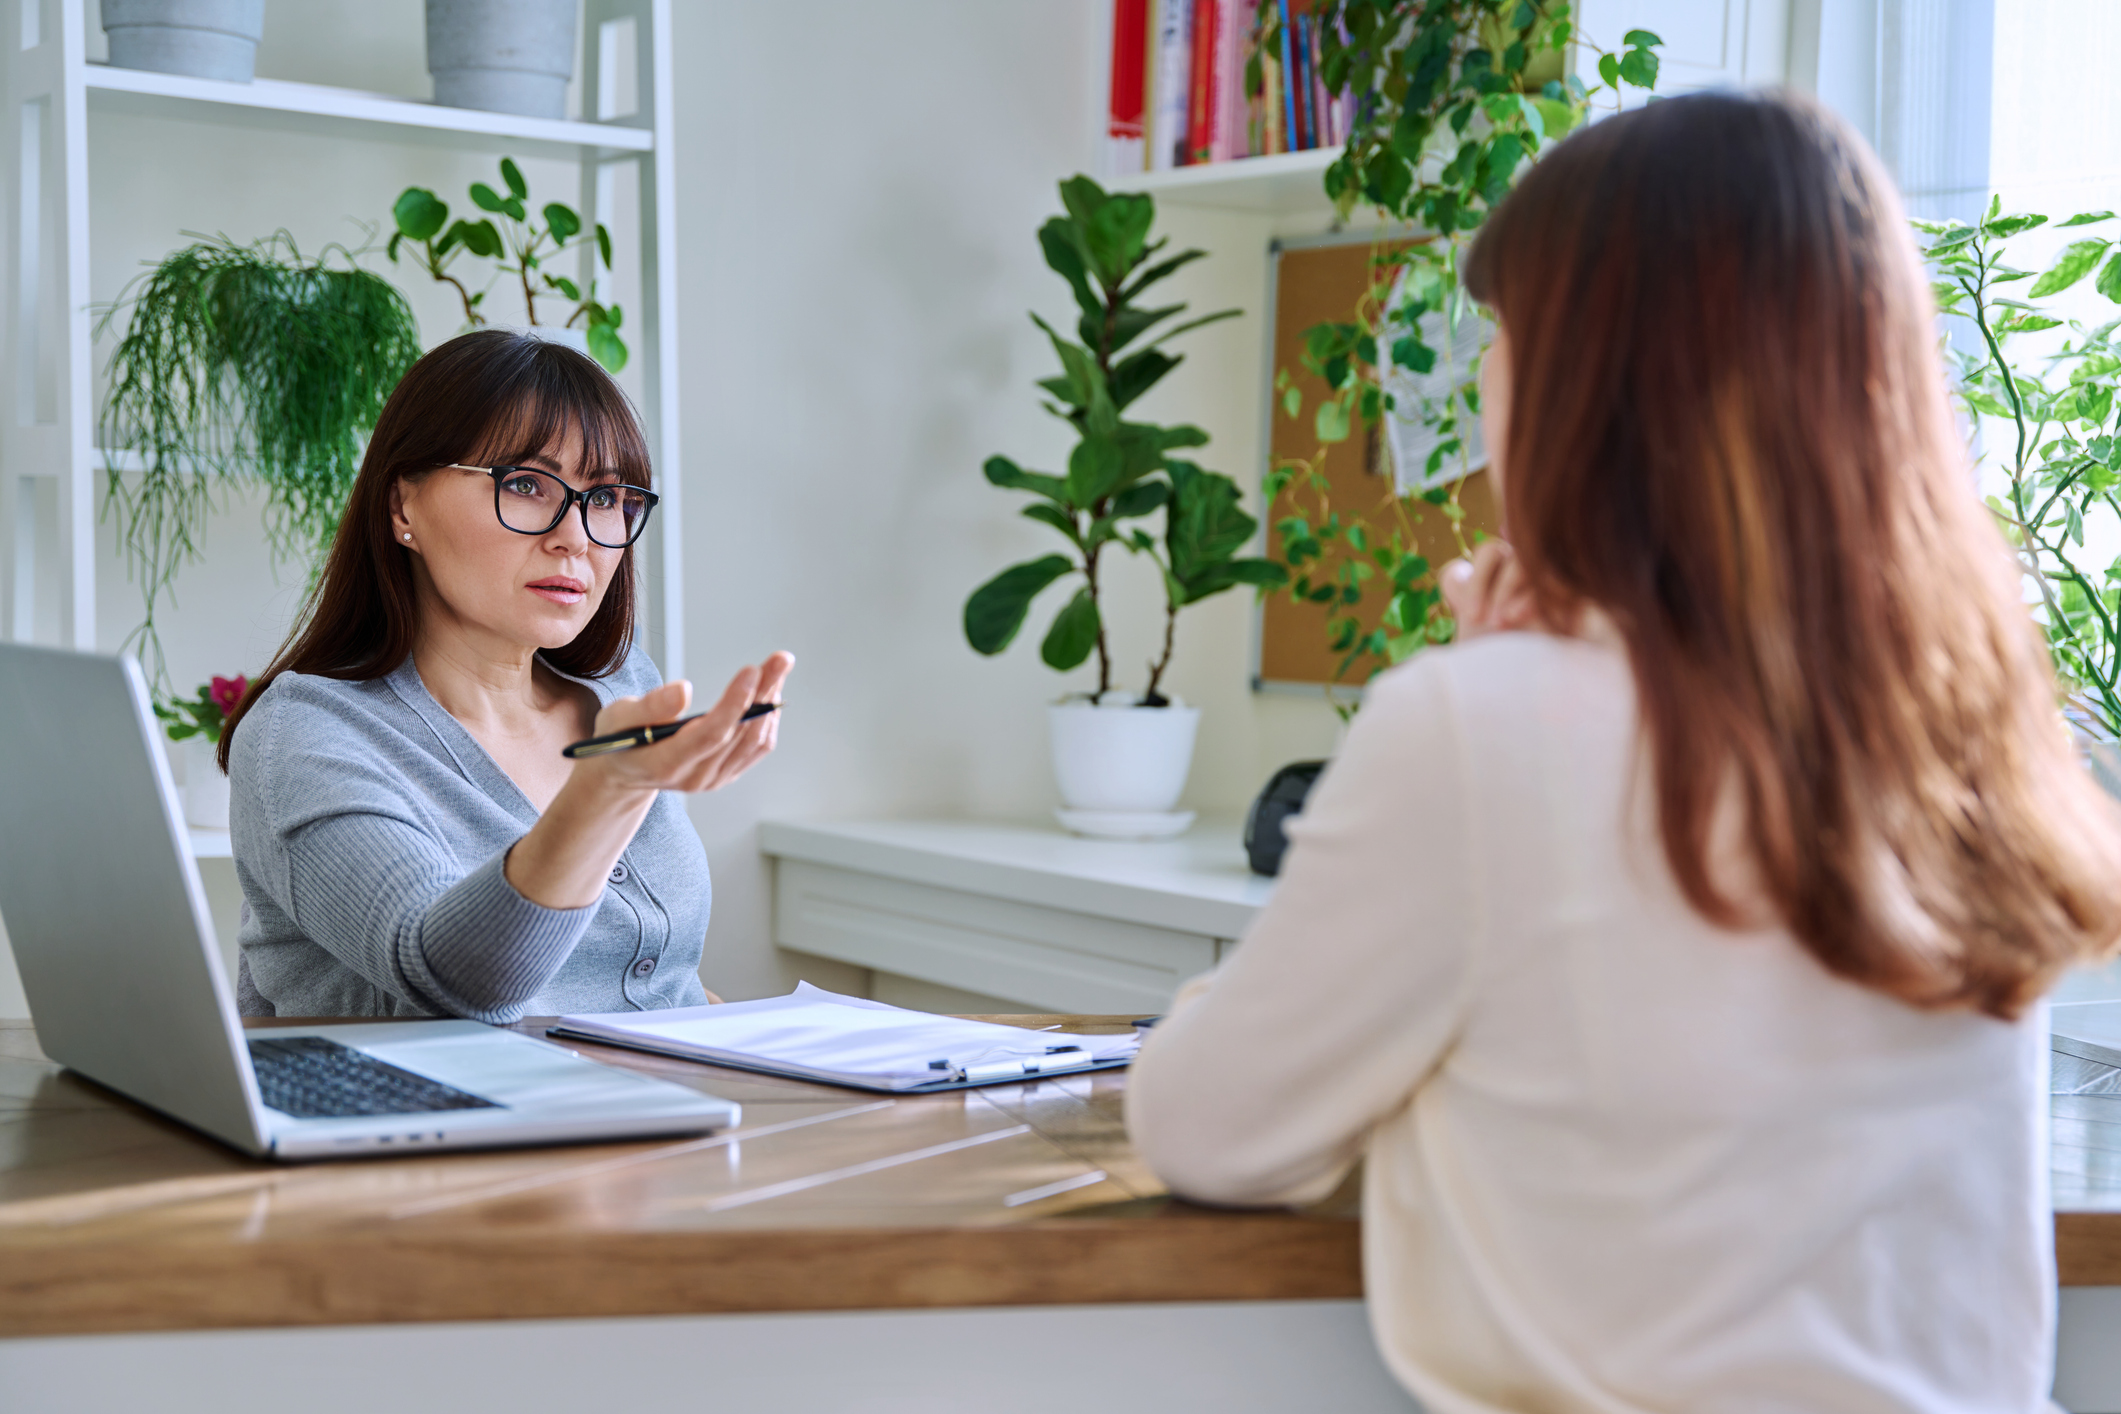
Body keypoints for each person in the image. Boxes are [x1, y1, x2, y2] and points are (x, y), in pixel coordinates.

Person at [1127, 90, 2121, 1412]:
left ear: (1586, 379)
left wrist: (1483, 695)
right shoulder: (1976, 725)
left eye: (1499, 337)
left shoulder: (1482, 730)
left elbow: (1207, 1130)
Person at [219, 330, 791, 1022]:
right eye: (525, 484)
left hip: (675, 1112)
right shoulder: (307, 734)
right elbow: (453, 981)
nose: (576, 536)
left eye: (607, 497)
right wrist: (609, 788)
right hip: (450, 1126)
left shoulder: (623, 686)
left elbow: (659, 979)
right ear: (404, 507)